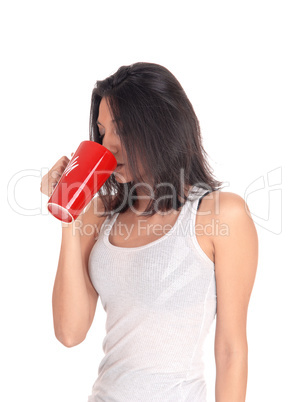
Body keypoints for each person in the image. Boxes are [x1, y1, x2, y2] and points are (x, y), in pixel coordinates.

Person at [41, 62, 258, 401]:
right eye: (102, 131)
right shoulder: (100, 215)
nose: (107, 145)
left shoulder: (220, 214)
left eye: (122, 129)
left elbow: (231, 351)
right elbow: (69, 332)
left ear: (161, 127)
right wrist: (71, 212)